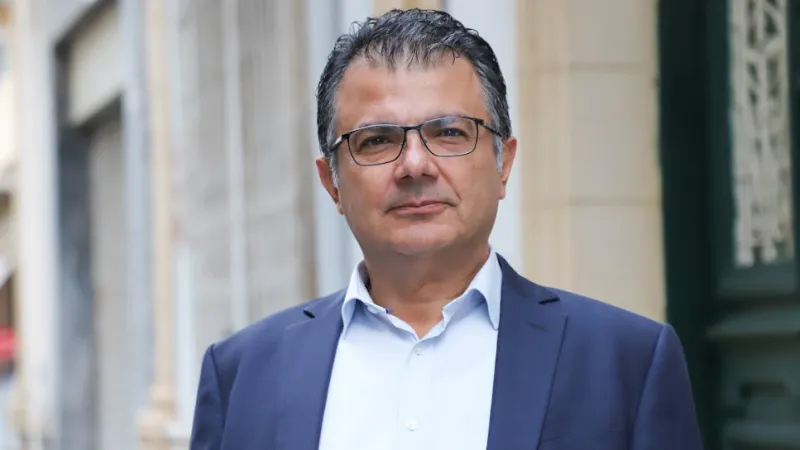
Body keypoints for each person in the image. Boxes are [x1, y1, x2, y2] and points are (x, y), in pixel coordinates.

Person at [190, 9, 703, 450]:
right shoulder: (242, 375)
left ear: (504, 164)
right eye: (377, 140)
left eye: (450, 133)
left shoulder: (626, 363)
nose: (415, 165)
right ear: (332, 183)